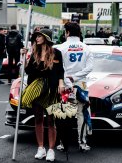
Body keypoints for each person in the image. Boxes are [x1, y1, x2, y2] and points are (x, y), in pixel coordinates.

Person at [23, 28, 65, 161]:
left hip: (51, 88)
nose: (37, 38)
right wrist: (24, 56)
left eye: (39, 36)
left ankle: (51, 150)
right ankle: (41, 148)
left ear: (46, 37)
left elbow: (60, 71)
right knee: (38, 118)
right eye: (36, 36)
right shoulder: (35, 52)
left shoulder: (56, 53)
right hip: (37, 88)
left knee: (51, 120)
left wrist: (61, 83)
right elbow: (28, 71)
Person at [57, 22, 94, 152]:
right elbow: (90, 67)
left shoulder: (60, 48)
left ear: (67, 32)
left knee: (63, 115)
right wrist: (76, 77)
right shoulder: (86, 48)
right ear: (79, 33)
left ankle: (63, 143)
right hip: (81, 85)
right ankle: (82, 143)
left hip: (64, 85)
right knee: (82, 114)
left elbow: (58, 68)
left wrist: (68, 79)